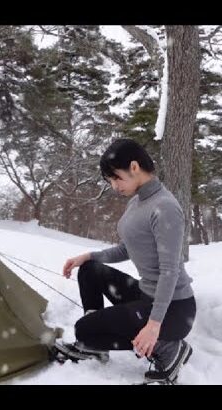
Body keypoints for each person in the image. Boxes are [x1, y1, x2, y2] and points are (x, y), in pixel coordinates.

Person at [58, 138, 196, 384]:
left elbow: (170, 271)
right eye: (110, 181)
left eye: (116, 178)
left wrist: (154, 325)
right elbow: (127, 249)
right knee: (91, 270)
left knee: (84, 329)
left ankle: (168, 348)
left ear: (134, 167)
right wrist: (89, 257)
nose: (114, 186)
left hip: (173, 308)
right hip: (146, 295)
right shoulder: (137, 201)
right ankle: (96, 344)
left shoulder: (165, 208)